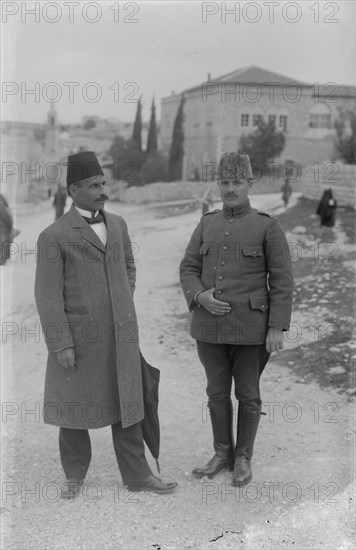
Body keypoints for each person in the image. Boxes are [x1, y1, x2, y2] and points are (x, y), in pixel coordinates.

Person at [35, 151, 177, 499]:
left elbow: (128, 265)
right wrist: (61, 343)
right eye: (94, 185)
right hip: (79, 341)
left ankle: (137, 476)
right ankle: (74, 477)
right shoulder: (53, 236)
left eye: (103, 183)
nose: (102, 190)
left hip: (121, 336)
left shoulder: (118, 224)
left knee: (127, 405)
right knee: (73, 409)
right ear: (73, 190)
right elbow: (47, 296)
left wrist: (121, 300)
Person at [179, 152, 293, 487]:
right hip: (209, 328)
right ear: (219, 184)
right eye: (225, 182)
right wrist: (200, 296)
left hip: (251, 329)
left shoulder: (267, 225)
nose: (230, 189)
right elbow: (188, 268)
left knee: (247, 393)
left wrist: (276, 326)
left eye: (237, 182)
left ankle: (243, 457)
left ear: (249, 184)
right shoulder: (206, 223)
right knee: (216, 392)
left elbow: (283, 279)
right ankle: (222, 452)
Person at [0, 193, 18, 266]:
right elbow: (7, 215)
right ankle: (3, 259)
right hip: (3, 226)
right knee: (4, 242)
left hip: (4, 225)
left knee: (4, 242)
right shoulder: (1, 202)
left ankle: (4, 258)